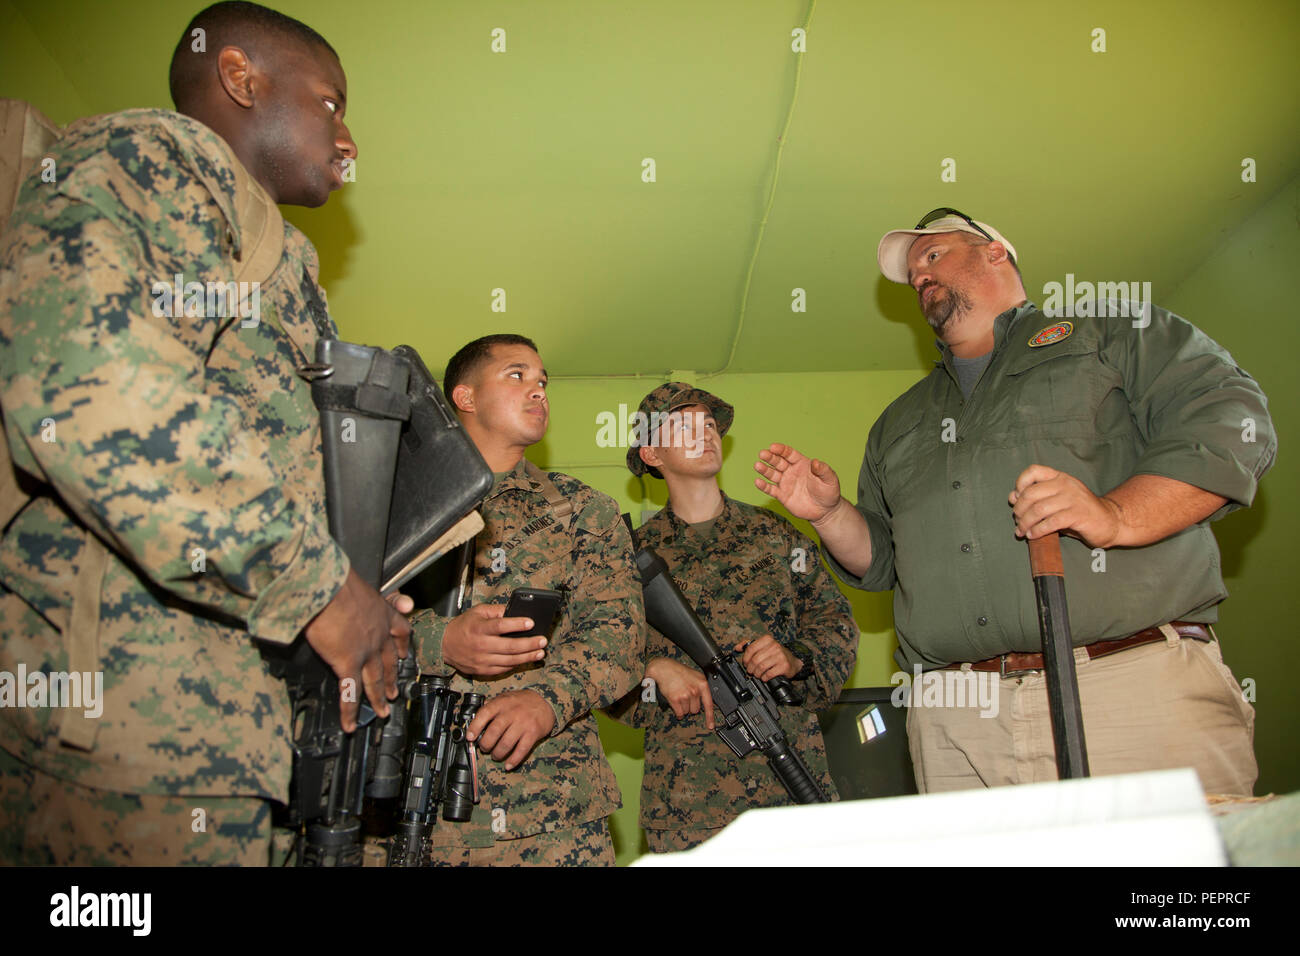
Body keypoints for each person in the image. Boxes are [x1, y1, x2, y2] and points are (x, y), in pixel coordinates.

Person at [0, 1, 411, 864]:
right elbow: (89, 382)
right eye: (331, 103)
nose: (350, 140)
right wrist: (321, 589)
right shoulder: (160, 154)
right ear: (238, 78)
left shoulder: (273, 251)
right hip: (119, 724)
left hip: (211, 733)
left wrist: (362, 598)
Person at [755, 208, 1273, 796]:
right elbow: (883, 563)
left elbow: (1231, 422)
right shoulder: (898, 422)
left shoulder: (1112, 333)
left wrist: (1118, 515)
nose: (918, 276)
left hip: (1126, 685)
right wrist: (828, 514)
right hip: (954, 717)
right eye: (910, 272)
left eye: (932, 255)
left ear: (996, 251)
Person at [409, 333, 644, 866]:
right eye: (517, 376)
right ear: (465, 397)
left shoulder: (583, 512)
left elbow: (619, 638)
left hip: (549, 821)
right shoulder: (397, 504)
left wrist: (548, 700)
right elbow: (339, 616)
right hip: (403, 809)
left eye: (543, 382)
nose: (538, 390)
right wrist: (438, 640)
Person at [617, 383, 857, 852]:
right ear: (650, 453)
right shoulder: (627, 558)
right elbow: (596, 663)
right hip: (689, 804)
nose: (705, 433)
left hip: (791, 786)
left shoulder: (776, 535)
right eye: (684, 425)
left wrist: (796, 658)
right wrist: (651, 672)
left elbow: (836, 622)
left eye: (709, 425)